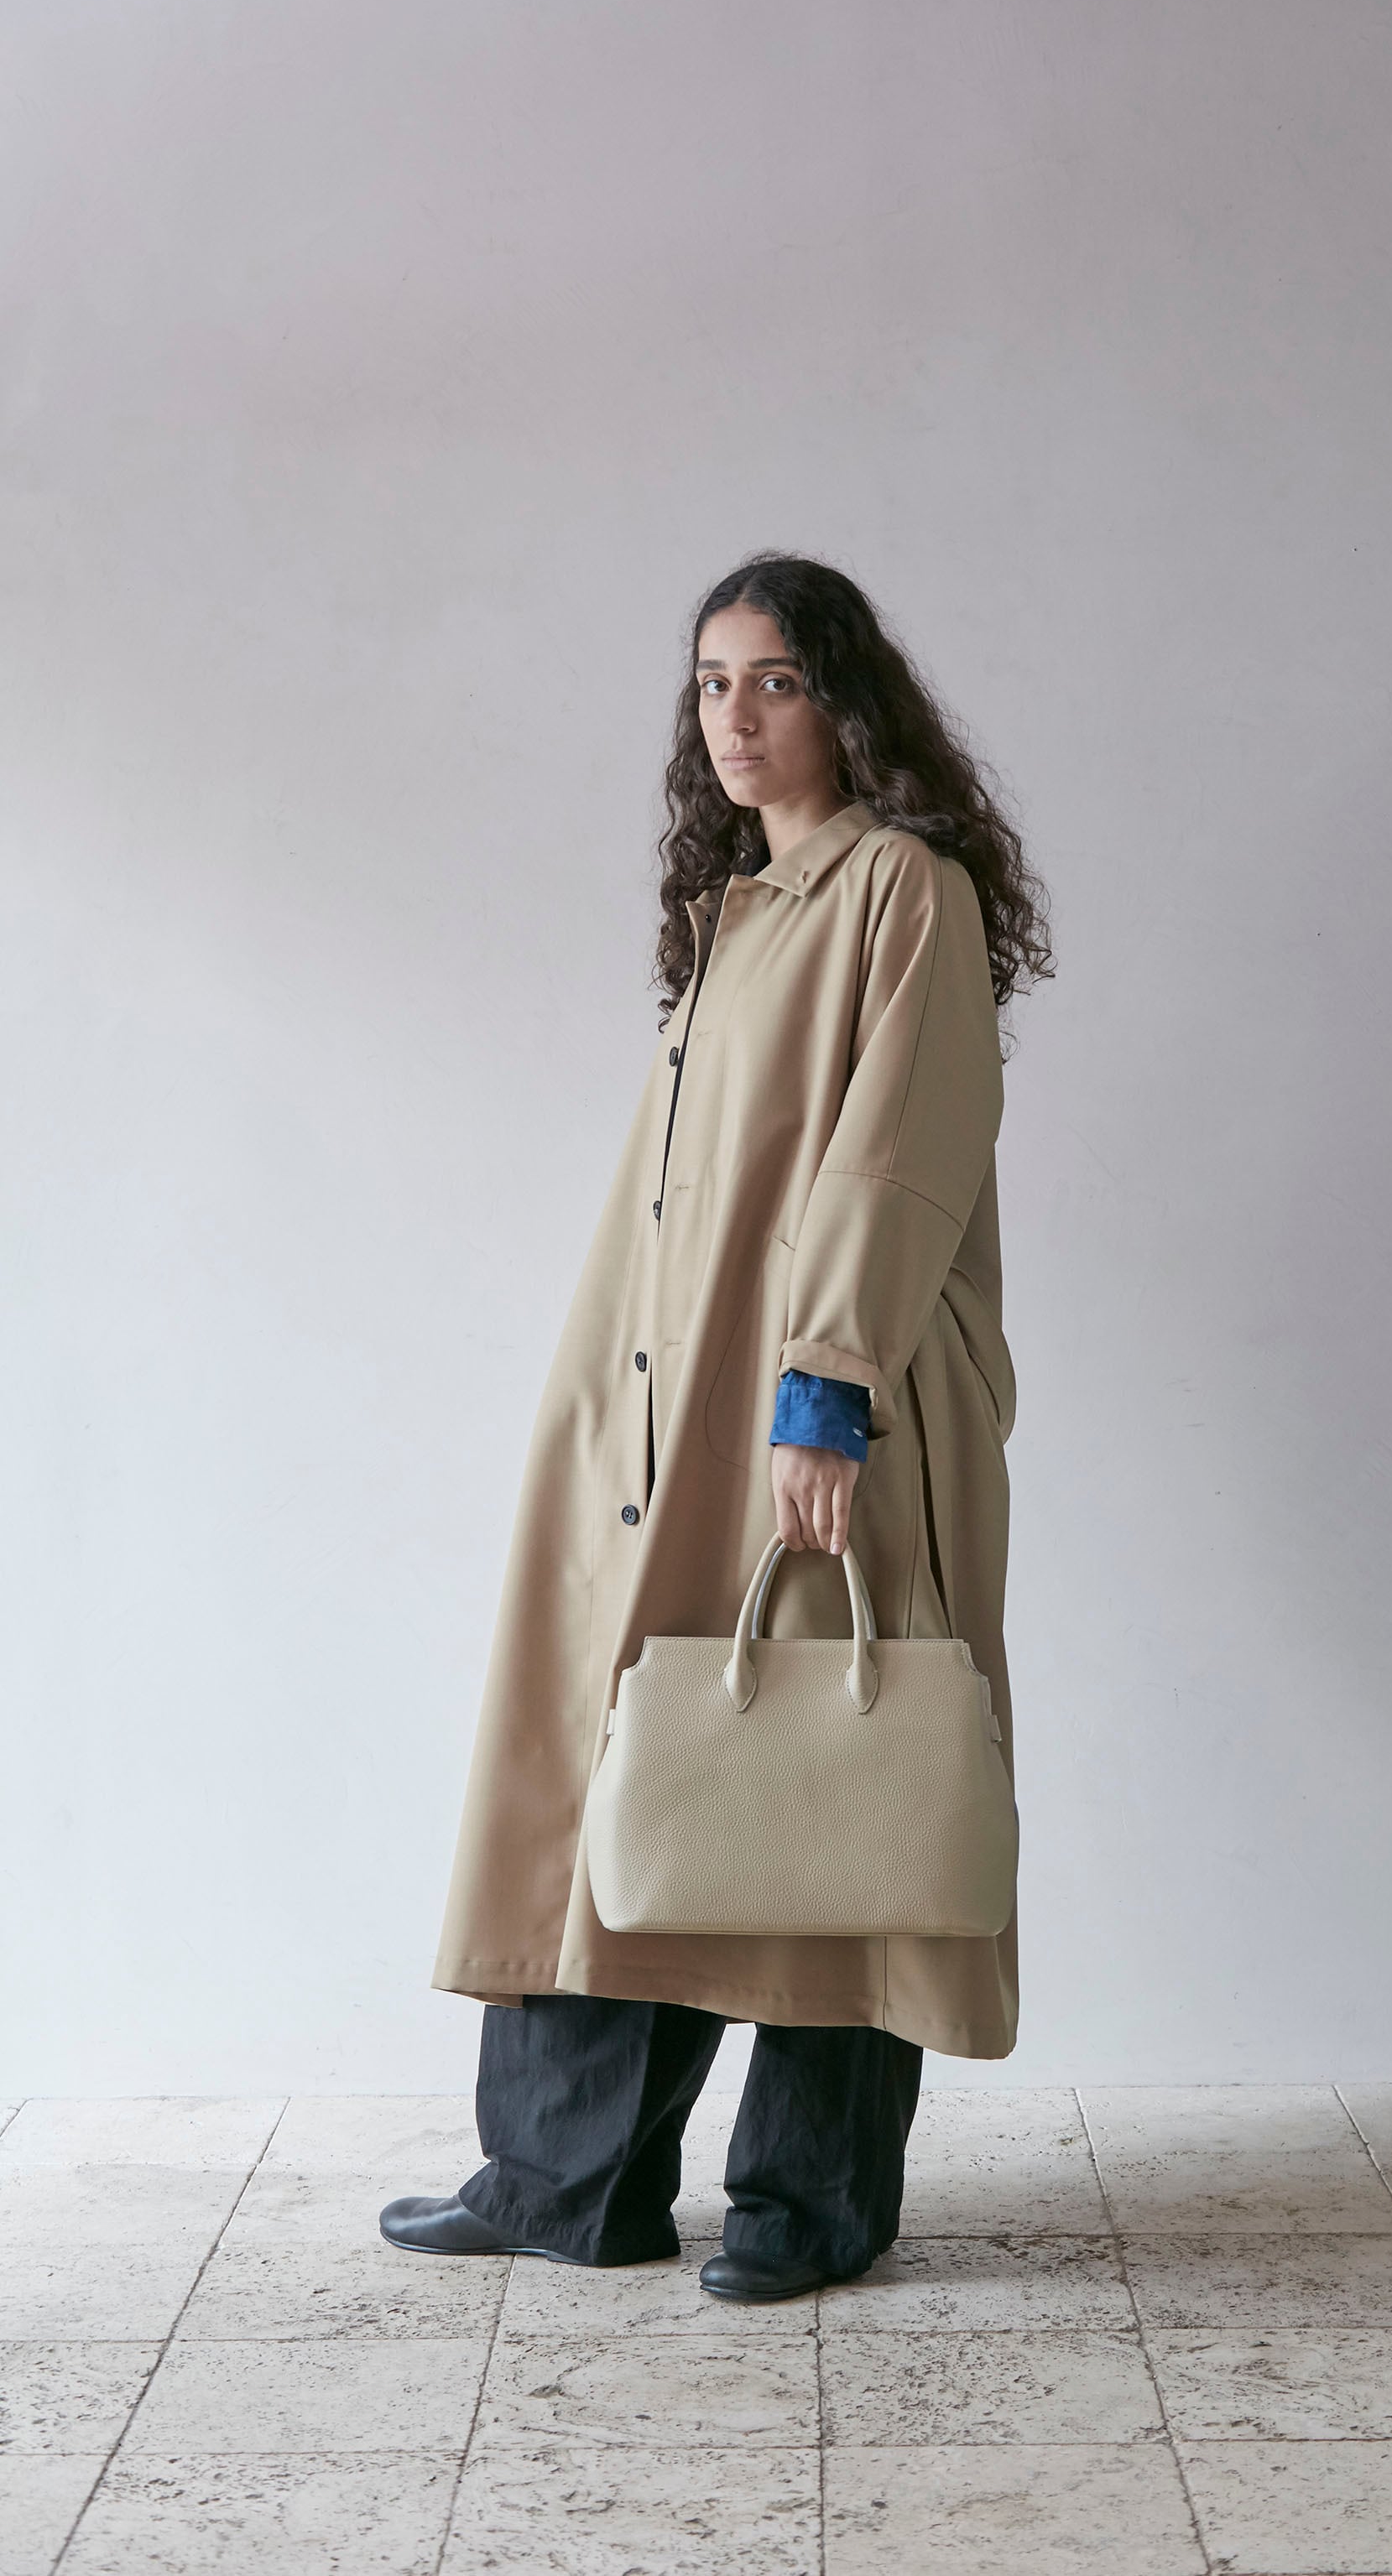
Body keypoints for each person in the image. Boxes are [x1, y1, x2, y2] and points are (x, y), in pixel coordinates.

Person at [381, 552, 1052, 2300]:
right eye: (710, 683)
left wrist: (824, 1387)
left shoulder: (901, 888)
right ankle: (565, 2176)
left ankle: (806, 2204)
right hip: (663, 1414)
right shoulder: (735, 910)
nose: (735, 716)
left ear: (846, 700)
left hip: (826, 1409)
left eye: (774, 680)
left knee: (832, 1770)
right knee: (623, 1764)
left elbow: (900, 1154)